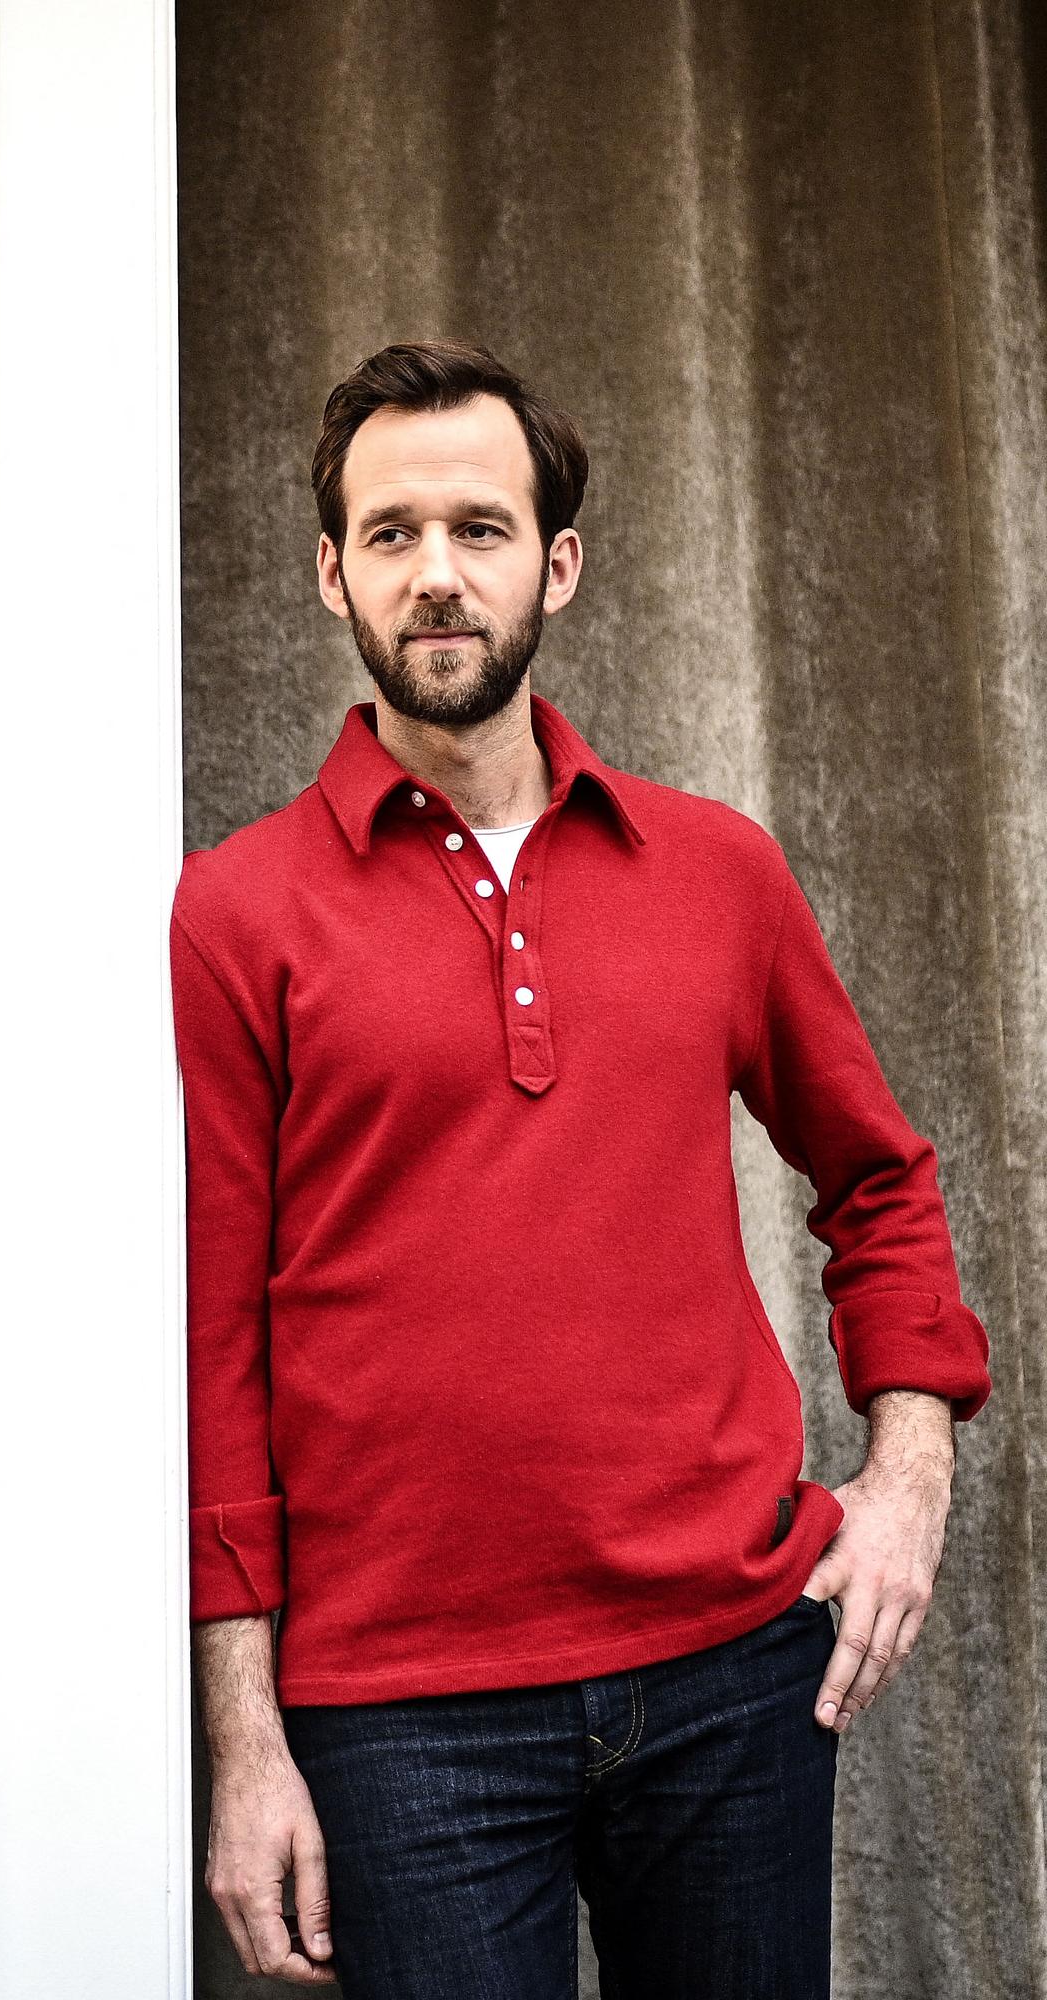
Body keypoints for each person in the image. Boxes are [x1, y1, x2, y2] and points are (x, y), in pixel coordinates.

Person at [169, 338, 993, 1999]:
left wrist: (906, 1482)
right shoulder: (235, 912)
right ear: (330, 574)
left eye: (480, 528)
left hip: (733, 1680)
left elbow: (880, 1185)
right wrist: (245, 1739)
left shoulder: (718, 870)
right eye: (390, 534)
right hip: (400, 1720)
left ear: (558, 561)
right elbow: (215, 1343)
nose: (437, 576)